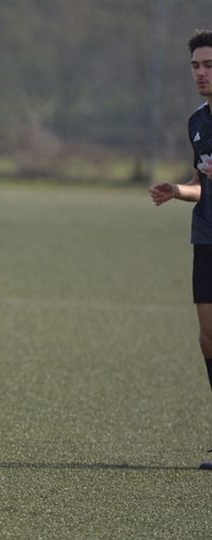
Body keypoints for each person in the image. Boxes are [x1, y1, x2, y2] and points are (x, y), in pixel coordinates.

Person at [149, 30, 212, 470]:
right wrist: (178, 190)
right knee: (209, 336)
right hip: (206, 236)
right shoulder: (197, 121)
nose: (201, 73)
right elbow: (202, 186)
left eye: (208, 65)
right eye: (196, 66)